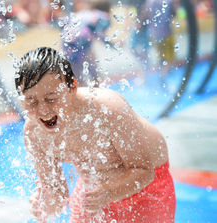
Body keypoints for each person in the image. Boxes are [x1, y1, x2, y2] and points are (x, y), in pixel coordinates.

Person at [15, 47, 176, 222]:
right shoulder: (34, 133)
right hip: (93, 194)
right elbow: (57, 193)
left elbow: (144, 172)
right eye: (31, 101)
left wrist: (108, 193)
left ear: (73, 87)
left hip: (145, 190)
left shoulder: (107, 109)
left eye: (51, 99)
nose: (43, 110)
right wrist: (45, 204)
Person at [60, 0, 111, 87]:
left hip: (67, 45)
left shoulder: (81, 14)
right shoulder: (103, 16)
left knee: (76, 77)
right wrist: (111, 44)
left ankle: (80, 91)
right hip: (80, 43)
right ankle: (97, 91)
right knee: (93, 74)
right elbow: (101, 35)